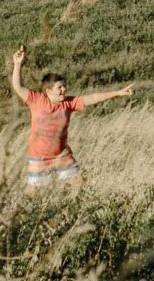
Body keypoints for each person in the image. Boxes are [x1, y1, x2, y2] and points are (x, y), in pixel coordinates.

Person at [10, 45, 132, 192]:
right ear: (48, 91)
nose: (64, 90)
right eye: (59, 87)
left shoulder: (69, 103)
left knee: (78, 184)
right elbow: (18, 86)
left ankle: (72, 212)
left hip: (61, 154)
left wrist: (117, 93)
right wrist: (17, 65)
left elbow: (92, 97)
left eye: (64, 86)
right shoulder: (37, 100)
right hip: (39, 157)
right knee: (33, 194)